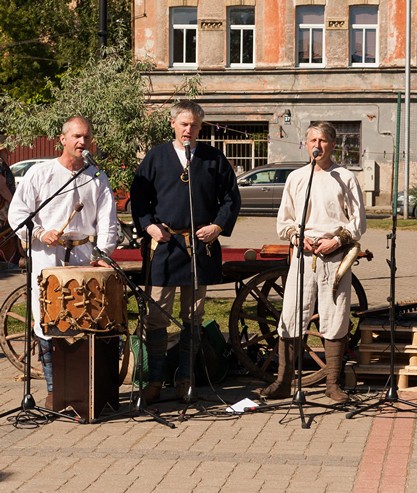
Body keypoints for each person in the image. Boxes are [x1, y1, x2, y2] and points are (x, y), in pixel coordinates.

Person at [130, 101, 240, 402]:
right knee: (157, 316)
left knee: (193, 315)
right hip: (164, 247)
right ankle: (153, 380)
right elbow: (138, 198)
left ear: (200, 127)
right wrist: (148, 225)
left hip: (198, 248)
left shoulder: (212, 158)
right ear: (172, 123)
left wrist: (217, 227)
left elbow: (231, 198)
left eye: (193, 124)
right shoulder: (156, 157)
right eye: (183, 123)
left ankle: (185, 377)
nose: (188, 129)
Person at [7, 116, 118, 409]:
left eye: (87, 137)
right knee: (48, 321)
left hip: (84, 258)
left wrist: (102, 255)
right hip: (47, 259)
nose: (83, 142)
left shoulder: (97, 177)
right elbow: (18, 214)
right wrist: (41, 233)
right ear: (63, 139)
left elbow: (108, 222)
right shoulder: (40, 174)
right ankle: (56, 391)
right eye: (77, 136)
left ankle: (83, 391)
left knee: (84, 320)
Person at [261, 121, 366, 403]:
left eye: (322, 140)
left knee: (335, 316)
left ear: (332, 144)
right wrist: (297, 236)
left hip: (334, 257)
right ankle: (283, 382)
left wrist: (338, 241)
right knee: (293, 314)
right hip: (304, 256)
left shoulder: (345, 177)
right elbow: (284, 222)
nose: (316, 145)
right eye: (312, 140)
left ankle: (333, 383)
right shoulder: (297, 178)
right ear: (306, 145)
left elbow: (358, 222)